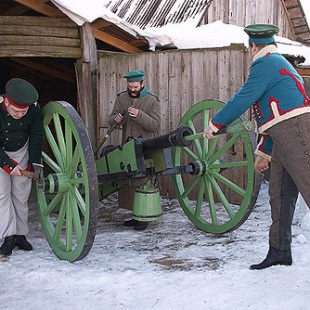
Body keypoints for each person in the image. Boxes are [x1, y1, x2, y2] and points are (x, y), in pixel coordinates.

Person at [204, 24, 310, 270]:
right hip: (283, 132)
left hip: (296, 130)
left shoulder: (266, 63)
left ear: (253, 46)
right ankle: (280, 251)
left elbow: (243, 98)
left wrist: (215, 124)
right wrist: (264, 151)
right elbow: (271, 115)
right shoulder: (278, 63)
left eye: (249, 48)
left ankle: (280, 250)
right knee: (280, 195)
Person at [108, 70, 161, 231]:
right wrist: (115, 120)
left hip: (145, 146)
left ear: (142, 84)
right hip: (127, 145)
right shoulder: (122, 98)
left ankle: (142, 217)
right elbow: (111, 119)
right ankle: (134, 214)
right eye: (130, 86)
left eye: (135, 86)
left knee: (142, 180)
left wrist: (139, 115)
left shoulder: (152, 100)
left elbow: (156, 126)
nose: (132, 89)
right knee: (128, 181)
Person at [0, 78, 44, 256]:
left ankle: (20, 234)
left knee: (21, 194)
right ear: (7, 102)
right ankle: (8, 236)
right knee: (2, 194)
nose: (20, 115)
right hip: (1, 151)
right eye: (16, 111)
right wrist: (8, 166)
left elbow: (36, 134)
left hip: (21, 149)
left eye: (23, 112)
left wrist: (32, 163)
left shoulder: (33, 108)